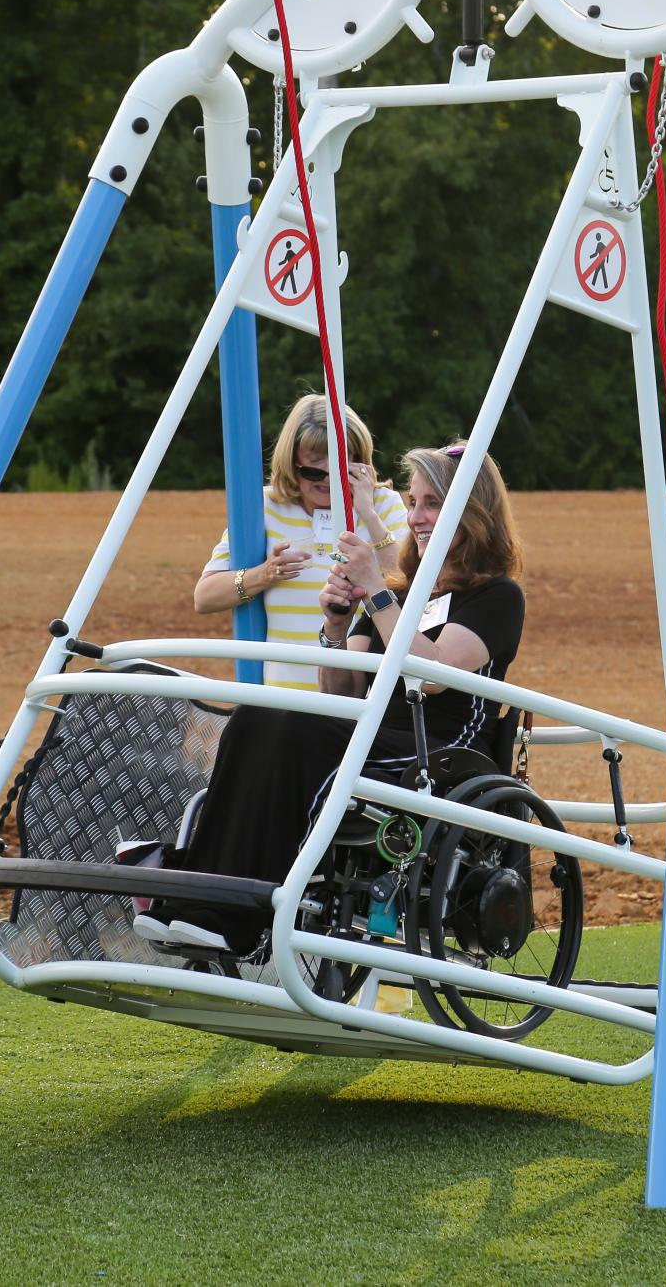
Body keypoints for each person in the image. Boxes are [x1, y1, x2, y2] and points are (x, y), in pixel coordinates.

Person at [140, 443, 526, 953]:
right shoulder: (400, 592)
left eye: (432, 503)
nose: (416, 517)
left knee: (298, 731)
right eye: (412, 502)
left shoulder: (495, 596)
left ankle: (235, 919)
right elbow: (339, 687)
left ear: (473, 511)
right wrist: (336, 625)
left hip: (436, 750)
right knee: (258, 716)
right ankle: (200, 900)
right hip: (370, 729)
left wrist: (377, 591)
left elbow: (433, 675)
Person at [194, 394, 407, 692]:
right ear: (291, 462)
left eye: (341, 472)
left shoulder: (382, 504)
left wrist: (367, 513)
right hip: (284, 697)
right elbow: (204, 597)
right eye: (313, 471)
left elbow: (410, 582)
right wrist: (265, 573)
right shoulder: (265, 506)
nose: (327, 482)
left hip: (362, 697)